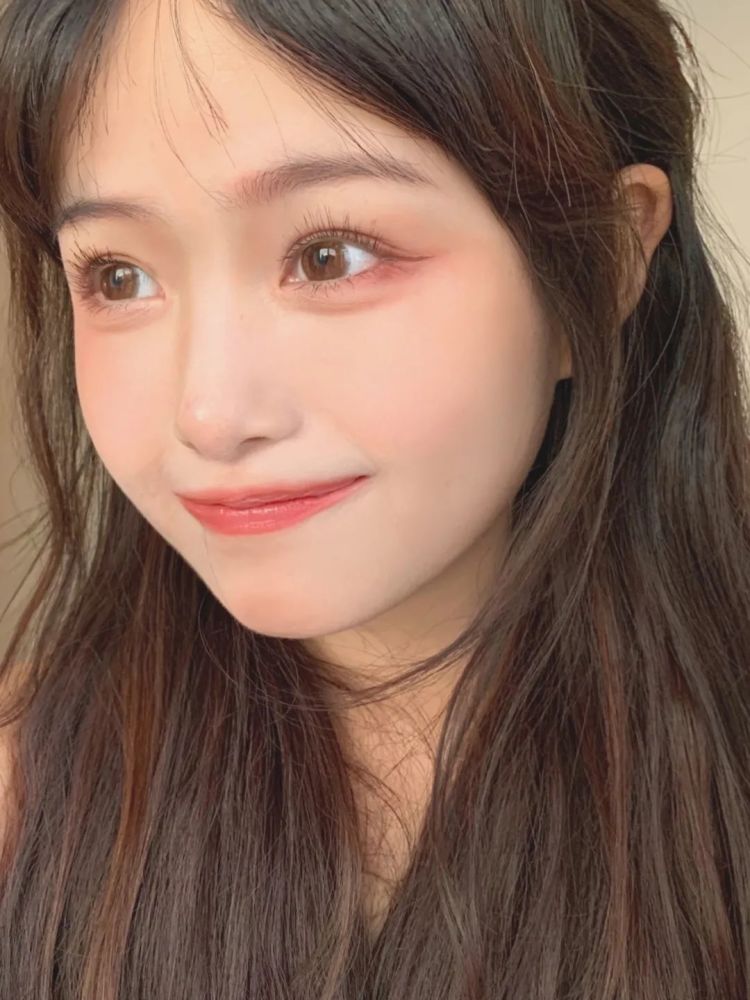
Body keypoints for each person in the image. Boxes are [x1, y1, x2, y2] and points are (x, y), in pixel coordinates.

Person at [0, 0, 748, 996]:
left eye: (331, 255)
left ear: (607, 256)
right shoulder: (27, 793)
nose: (208, 415)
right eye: (119, 275)